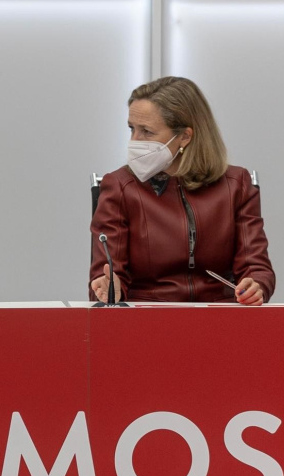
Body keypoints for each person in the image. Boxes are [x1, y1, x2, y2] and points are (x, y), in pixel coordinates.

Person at [89, 76, 274, 305]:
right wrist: (109, 288)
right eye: (132, 129)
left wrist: (256, 285)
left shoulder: (236, 184)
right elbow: (106, 273)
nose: (134, 141)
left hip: (219, 314)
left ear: (185, 137)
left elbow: (256, 267)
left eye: (146, 131)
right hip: (147, 314)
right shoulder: (119, 186)